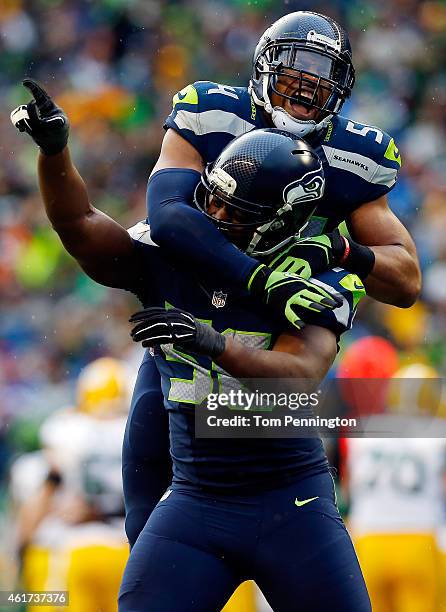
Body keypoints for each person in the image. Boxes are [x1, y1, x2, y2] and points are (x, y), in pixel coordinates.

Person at [12, 81, 370, 610]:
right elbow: (81, 226)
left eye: (236, 210)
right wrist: (55, 154)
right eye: (215, 200)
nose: (216, 218)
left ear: (284, 221)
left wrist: (212, 342)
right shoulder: (173, 250)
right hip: (197, 497)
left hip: (292, 500)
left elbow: (297, 377)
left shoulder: (313, 273)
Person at [10, 357, 131, 612]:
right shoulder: (135, 431)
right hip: (128, 549)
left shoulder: (62, 436)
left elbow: (27, 525)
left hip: (67, 555)